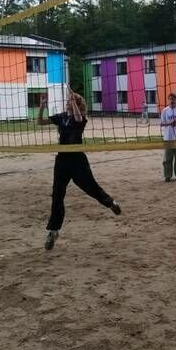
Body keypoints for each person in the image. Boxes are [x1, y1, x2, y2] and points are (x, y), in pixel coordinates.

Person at [37, 90, 122, 250]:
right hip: (62, 160)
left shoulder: (82, 119)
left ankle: (110, 203)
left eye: (72, 100)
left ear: (77, 104)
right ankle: (53, 231)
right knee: (57, 196)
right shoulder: (62, 117)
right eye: (69, 100)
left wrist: (74, 101)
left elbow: (77, 118)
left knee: (91, 188)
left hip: (77, 161)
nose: (68, 101)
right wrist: (42, 106)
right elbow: (40, 122)